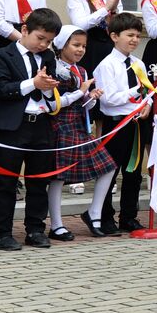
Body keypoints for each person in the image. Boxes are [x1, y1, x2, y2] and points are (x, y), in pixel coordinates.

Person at [0, 6, 63, 250]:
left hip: (41, 124)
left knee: (38, 181)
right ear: (25, 29)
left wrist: (49, 88)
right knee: (6, 182)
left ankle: (36, 229)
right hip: (12, 127)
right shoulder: (2, 54)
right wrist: (33, 83)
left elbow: (50, 94)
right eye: (40, 38)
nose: (43, 45)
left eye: (49, 41)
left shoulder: (48, 58)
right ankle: (1, 232)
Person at [46, 26, 115, 242]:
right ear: (62, 44)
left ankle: (94, 213)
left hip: (79, 125)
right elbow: (56, 103)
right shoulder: (54, 68)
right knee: (58, 177)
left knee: (108, 166)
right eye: (75, 45)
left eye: (83, 46)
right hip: (60, 126)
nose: (81, 50)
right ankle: (56, 224)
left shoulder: (82, 71)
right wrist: (80, 92)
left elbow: (83, 103)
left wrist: (91, 96)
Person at [92, 12, 154, 234]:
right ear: (114, 36)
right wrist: (135, 90)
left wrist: (147, 103)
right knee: (111, 171)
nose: (134, 40)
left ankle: (129, 216)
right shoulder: (107, 65)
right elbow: (109, 98)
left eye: (138, 35)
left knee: (134, 173)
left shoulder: (138, 63)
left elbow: (148, 92)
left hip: (136, 123)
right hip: (116, 123)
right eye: (130, 35)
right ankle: (104, 215)